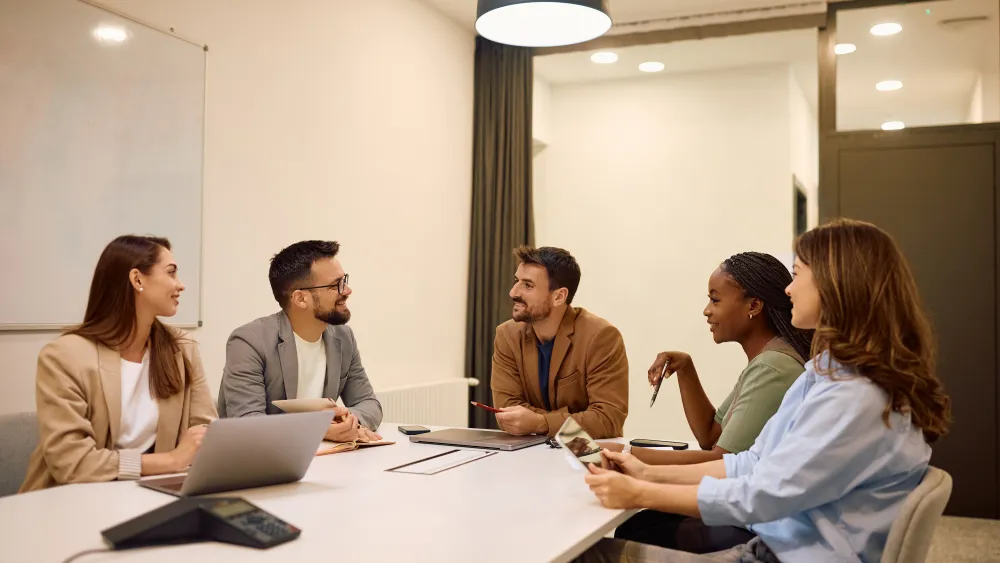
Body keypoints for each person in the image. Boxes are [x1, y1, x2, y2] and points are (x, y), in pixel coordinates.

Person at [576, 219, 952, 563]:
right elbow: (751, 462)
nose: (788, 289)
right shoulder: (824, 373)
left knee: (591, 553)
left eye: (797, 274)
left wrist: (640, 491)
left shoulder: (854, 395)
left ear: (836, 284)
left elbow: (763, 494)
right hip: (776, 543)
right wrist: (644, 473)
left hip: (785, 553)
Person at [607, 252, 813, 550]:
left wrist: (628, 454)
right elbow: (710, 435)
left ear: (754, 306)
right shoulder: (767, 360)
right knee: (642, 524)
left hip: (755, 527)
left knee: (638, 530)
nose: (706, 310)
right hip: (753, 513)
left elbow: (721, 459)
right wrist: (686, 369)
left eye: (715, 300)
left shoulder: (773, 366)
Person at [20, 236, 217, 493]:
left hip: (151, 494)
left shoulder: (182, 348)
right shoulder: (64, 356)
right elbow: (72, 463)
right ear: (137, 280)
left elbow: (206, 434)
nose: (180, 285)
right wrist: (169, 461)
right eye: (171, 273)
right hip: (70, 499)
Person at [217, 240, 382, 443]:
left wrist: (348, 422)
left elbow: (368, 403)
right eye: (335, 285)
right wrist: (317, 428)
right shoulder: (248, 342)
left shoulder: (343, 337)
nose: (347, 290)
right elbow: (247, 423)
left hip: (326, 460)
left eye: (344, 280)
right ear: (301, 299)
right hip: (262, 466)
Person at [491, 245, 628, 439]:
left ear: (559, 296)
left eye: (527, 285)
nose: (513, 292)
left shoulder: (601, 337)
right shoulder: (506, 335)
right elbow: (507, 411)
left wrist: (541, 423)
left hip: (588, 454)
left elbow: (607, 419)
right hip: (528, 451)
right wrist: (569, 420)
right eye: (516, 281)